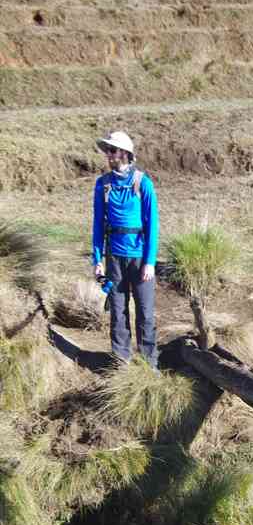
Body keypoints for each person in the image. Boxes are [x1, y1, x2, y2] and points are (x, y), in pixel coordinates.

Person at [91, 130, 160, 368]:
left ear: (125, 153)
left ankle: (148, 364)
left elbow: (153, 225)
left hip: (140, 258)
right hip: (114, 258)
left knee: (145, 312)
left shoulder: (144, 183)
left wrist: (150, 261)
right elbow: (98, 225)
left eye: (112, 150)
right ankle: (121, 362)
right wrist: (97, 259)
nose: (108, 155)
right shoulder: (103, 185)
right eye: (107, 150)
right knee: (118, 311)